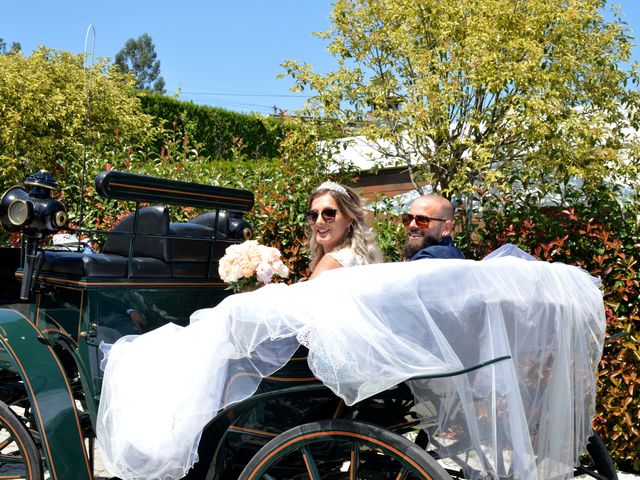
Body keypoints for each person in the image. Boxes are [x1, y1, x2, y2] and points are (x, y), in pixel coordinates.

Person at [307, 181, 382, 278]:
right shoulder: (355, 256)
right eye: (313, 215)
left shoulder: (334, 261)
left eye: (329, 214)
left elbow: (305, 293)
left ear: (349, 218)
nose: (319, 221)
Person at [402, 194, 465, 260]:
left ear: (446, 228)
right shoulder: (456, 257)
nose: (411, 225)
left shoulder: (427, 257)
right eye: (408, 218)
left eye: (422, 220)